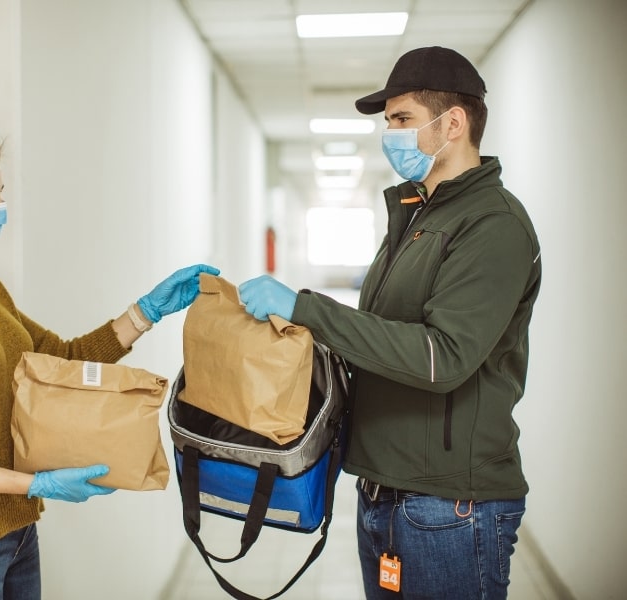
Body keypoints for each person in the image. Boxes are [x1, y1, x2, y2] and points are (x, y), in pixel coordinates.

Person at [238, 47, 541, 599]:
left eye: (402, 120)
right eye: (389, 122)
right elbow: (383, 336)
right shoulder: (417, 215)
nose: (390, 134)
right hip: (385, 493)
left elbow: (440, 357)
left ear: (453, 123)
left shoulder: (492, 226)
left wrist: (308, 309)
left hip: (449, 508)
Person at [0, 117, 218, 599]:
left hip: (14, 532)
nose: (1, 207)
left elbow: (63, 359)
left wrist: (145, 312)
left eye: (1, 193)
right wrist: (35, 484)